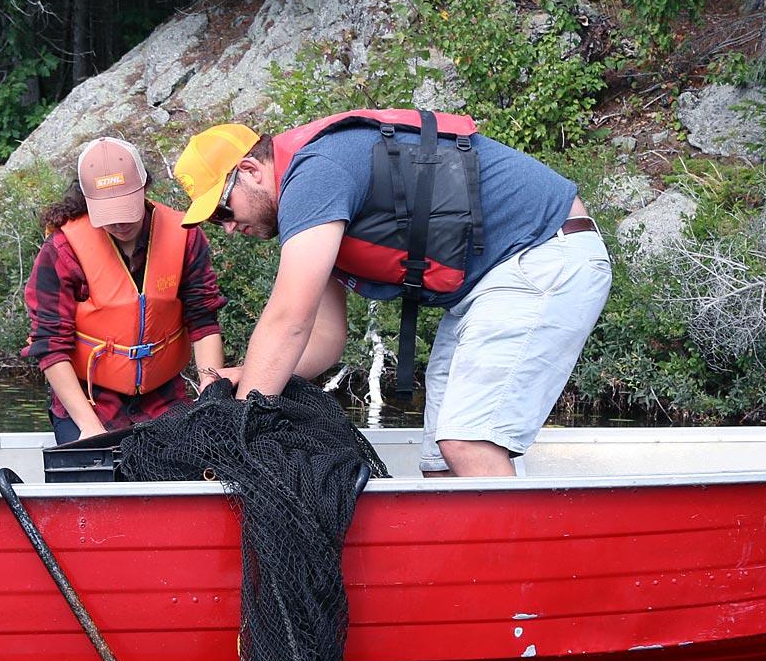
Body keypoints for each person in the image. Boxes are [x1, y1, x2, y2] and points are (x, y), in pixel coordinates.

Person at [174, 110, 611, 477]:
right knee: (439, 462)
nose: (227, 227)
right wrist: (246, 374)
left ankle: (518, 576)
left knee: (467, 442)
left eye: (223, 210)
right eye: (215, 221)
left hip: (545, 254)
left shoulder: (315, 174)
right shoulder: (315, 209)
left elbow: (289, 321)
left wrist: (243, 419)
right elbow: (324, 338)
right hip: (494, 283)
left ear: (250, 171)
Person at [21, 137, 227, 442]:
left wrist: (212, 398)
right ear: (87, 201)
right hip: (90, 400)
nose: (119, 221)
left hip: (165, 398)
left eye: (125, 206)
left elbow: (203, 321)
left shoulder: (185, 236)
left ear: (144, 185)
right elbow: (50, 346)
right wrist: (89, 428)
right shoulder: (62, 250)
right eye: (107, 211)